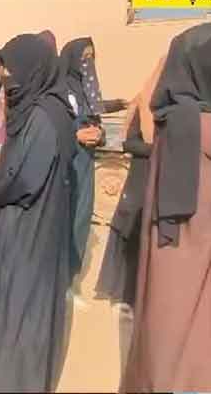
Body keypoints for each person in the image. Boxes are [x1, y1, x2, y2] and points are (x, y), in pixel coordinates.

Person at [0, 33, 76, 392]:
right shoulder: (48, 108)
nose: (6, 79)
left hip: (26, 230)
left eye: (10, 71)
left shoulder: (43, 117)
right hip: (36, 225)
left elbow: (23, 182)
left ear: (32, 69)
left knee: (17, 311)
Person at [123, 23, 211, 392]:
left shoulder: (173, 121)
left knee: (164, 334)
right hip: (194, 248)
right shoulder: (195, 124)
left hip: (170, 247)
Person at [94, 56, 163, 308]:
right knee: (131, 229)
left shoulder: (181, 110)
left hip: (163, 181)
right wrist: (158, 149)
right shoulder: (143, 103)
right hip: (141, 176)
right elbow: (129, 143)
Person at [60, 37, 127, 281]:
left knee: (80, 218)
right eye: (83, 58)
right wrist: (74, 134)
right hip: (65, 164)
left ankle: (70, 277)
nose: (88, 63)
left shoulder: (86, 91)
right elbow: (52, 126)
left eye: (91, 58)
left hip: (85, 164)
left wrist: (98, 135)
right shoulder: (59, 89)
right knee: (62, 219)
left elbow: (94, 119)